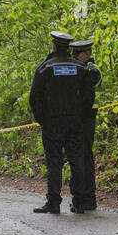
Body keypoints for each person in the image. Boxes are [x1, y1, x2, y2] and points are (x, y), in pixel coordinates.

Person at [30, 31, 91, 214]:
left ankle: (54, 202)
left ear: (54, 46)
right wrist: (81, 116)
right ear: (69, 47)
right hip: (75, 122)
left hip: (53, 123)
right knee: (77, 160)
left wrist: (43, 120)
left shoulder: (44, 68)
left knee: (54, 162)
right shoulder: (81, 68)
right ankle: (79, 201)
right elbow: (89, 96)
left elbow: (34, 98)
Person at [69, 41, 102, 211]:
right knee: (81, 156)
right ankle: (85, 197)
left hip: (87, 117)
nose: (76, 59)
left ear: (87, 54)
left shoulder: (92, 68)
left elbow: (92, 79)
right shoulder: (79, 67)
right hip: (78, 117)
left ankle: (86, 197)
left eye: (79, 55)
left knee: (83, 157)